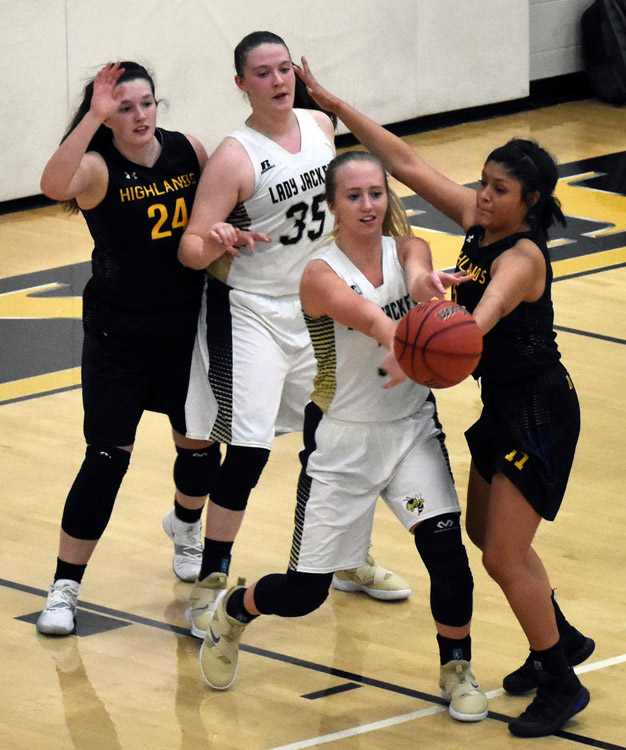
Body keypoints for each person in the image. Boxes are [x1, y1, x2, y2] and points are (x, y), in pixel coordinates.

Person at [293, 60, 594, 737]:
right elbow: (403, 162)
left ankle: (561, 681)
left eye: (498, 189)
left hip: (539, 412)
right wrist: (338, 105)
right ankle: (562, 638)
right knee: (484, 535)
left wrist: (413, 348)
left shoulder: (521, 259)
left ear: (530, 200)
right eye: (482, 182)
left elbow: (475, 325)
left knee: (503, 556)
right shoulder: (478, 222)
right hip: (503, 405)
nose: (481, 196)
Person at [197, 150, 489, 722]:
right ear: (332, 206)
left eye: (376, 193)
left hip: (410, 429)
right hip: (341, 441)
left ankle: (457, 668)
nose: (368, 205)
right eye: (353, 196)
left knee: (447, 555)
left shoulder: (408, 248)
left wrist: (428, 288)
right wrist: (409, 339)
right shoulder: (319, 275)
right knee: (304, 594)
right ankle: (235, 610)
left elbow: (418, 274)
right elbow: (371, 319)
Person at [177, 31, 410, 641]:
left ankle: (344, 557)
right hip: (251, 311)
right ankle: (212, 578)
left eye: (284, 68)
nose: (278, 80)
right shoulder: (234, 157)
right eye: (263, 73)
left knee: (340, 437)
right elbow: (190, 248)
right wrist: (216, 239)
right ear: (241, 84)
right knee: (249, 449)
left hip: (314, 306)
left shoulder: (320, 127)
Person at [36, 60, 226, 635]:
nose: (140, 116)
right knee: (105, 459)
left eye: (147, 103)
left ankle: (186, 527)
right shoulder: (96, 165)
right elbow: (52, 186)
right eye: (124, 108)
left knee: (200, 449)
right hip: (118, 336)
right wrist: (91, 118)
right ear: (106, 116)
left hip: (185, 328)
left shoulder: (188, 150)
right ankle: (64, 587)